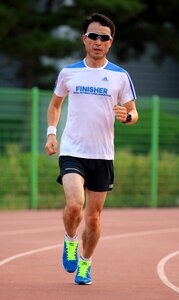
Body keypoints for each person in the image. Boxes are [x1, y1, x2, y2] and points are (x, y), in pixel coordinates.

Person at [45, 13, 138, 285]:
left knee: (94, 219)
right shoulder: (68, 72)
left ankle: (85, 263)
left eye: (104, 38)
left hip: (102, 155)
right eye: (93, 36)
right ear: (84, 38)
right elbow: (55, 105)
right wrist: (52, 134)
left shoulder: (120, 76)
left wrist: (128, 117)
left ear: (111, 42)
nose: (98, 42)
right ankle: (70, 240)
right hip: (73, 150)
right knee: (75, 205)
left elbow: (133, 112)